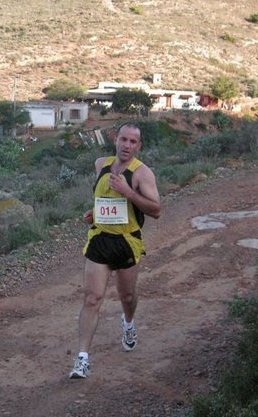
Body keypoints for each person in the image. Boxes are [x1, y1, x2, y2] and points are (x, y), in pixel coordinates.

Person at [69, 122, 161, 379]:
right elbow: (103, 201)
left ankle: (128, 324)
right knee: (92, 298)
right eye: (124, 139)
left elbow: (155, 210)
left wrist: (128, 192)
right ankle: (82, 359)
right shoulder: (101, 164)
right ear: (115, 140)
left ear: (138, 146)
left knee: (127, 297)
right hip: (100, 239)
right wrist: (94, 213)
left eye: (133, 142)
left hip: (127, 242)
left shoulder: (143, 174)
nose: (127, 145)